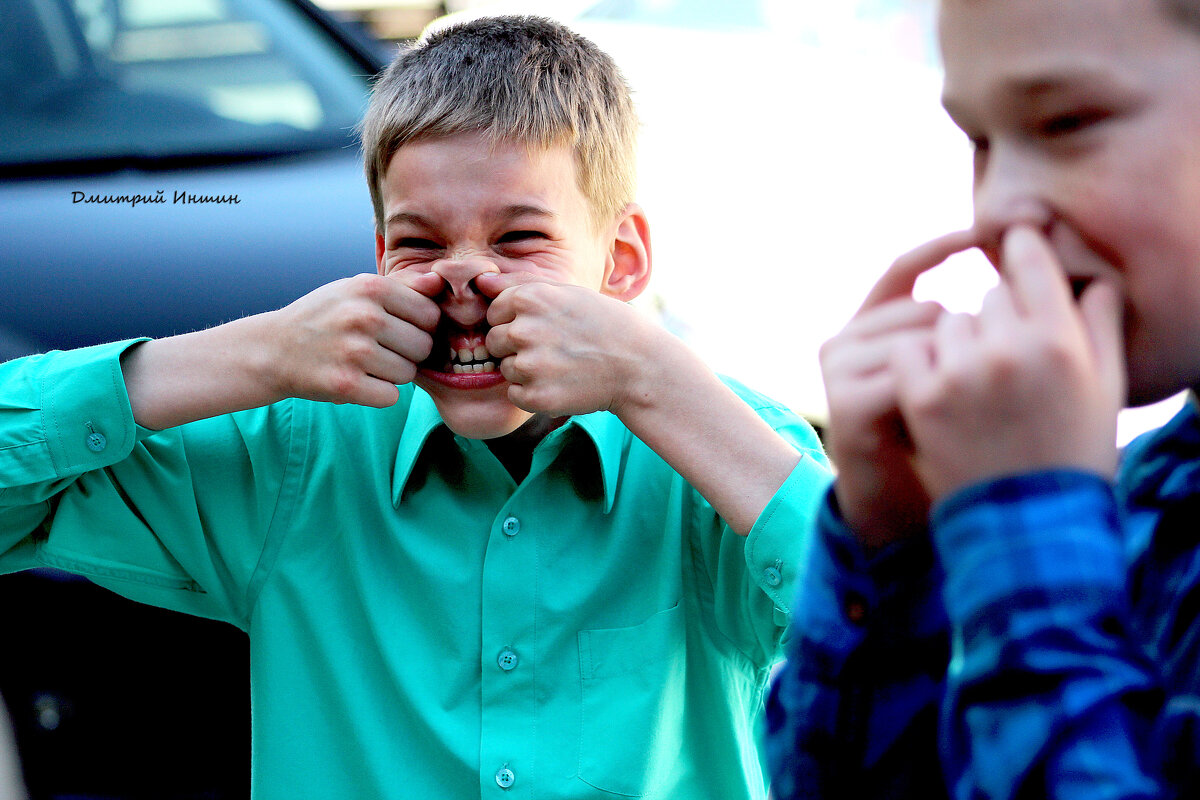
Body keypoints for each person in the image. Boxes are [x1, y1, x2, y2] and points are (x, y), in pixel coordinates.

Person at [0, 15, 830, 800]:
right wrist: (258, 354)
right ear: (379, 257)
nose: (465, 280)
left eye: (518, 240)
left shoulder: (726, 451)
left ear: (621, 261)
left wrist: (653, 376)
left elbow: (911, 636)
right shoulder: (296, 453)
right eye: (422, 244)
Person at [765, 0, 1200, 797]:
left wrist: (1024, 521)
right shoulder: (1144, 497)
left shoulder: (1066, 518)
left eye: (1068, 122)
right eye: (980, 141)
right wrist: (895, 552)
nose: (998, 209)